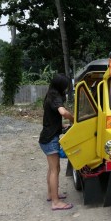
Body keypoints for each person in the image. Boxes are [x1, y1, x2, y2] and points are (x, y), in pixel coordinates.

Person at [38, 73, 74, 211]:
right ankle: (55, 202)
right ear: (61, 86)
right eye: (65, 86)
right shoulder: (55, 96)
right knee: (55, 170)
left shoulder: (50, 94)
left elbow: (51, 118)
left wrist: (61, 126)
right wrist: (73, 120)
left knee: (52, 169)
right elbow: (63, 112)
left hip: (47, 136)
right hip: (50, 139)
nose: (66, 89)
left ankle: (51, 194)